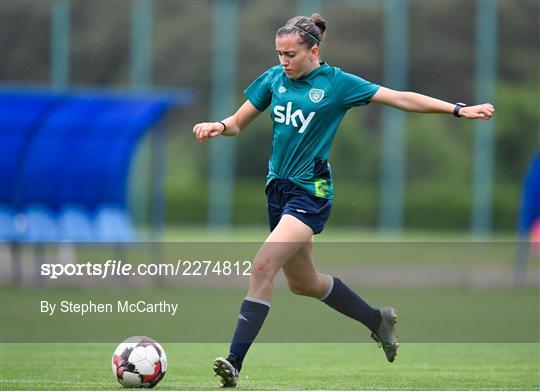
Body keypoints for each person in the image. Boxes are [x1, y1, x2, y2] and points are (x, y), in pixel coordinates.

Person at [193, 14, 494, 388]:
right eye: (278, 54)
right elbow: (238, 123)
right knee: (303, 283)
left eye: (290, 54)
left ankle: (233, 363)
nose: (283, 61)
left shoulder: (337, 84)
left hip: (310, 193)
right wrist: (218, 126)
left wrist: (457, 109)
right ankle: (376, 320)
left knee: (262, 266)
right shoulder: (274, 80)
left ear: (313, 51)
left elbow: (398, 97)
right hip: (278, 190)